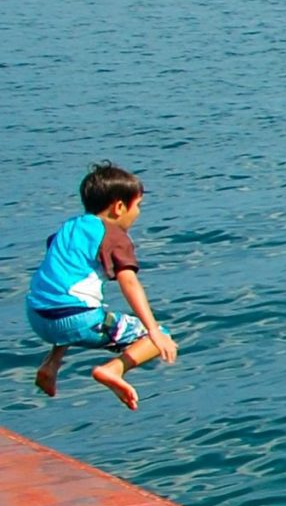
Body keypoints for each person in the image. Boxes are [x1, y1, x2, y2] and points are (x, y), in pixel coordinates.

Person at [25, 162, 177, 409]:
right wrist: (154, 331)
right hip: (78, 318)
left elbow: (58, 287)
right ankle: (113, 370)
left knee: (67, 301)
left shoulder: (69, 227)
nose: (138, 213)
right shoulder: (114, 236)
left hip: (37, 317)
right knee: (159, 337)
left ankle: (51, 364)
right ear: (119, 207)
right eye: (137, 206)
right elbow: (129, 282)